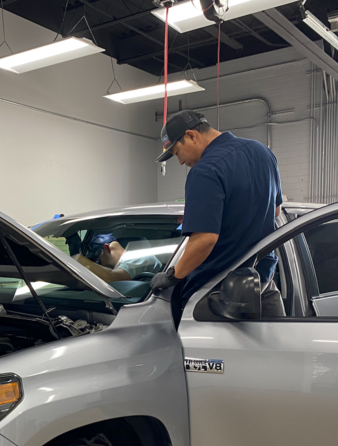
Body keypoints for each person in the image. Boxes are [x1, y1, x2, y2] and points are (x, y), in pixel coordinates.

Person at [148, 110, 283, 312]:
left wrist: (173, 276)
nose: (181, 162)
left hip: (219, 295)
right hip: (264, 284)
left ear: (191, 135)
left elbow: (205, 239)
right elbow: (276, 212)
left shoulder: (205, 171)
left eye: (177, 153)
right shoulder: (263, 152)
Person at [74, 233, 163, 283]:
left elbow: (112, 278)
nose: (99, 263)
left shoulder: (139, 257)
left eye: (98, 258)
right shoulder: (122, 265)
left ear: (106, 248)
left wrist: (79, 261)